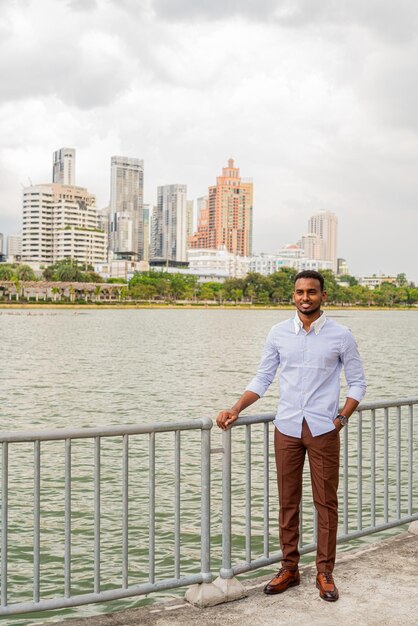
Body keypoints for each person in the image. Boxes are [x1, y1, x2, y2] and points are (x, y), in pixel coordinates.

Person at [216, 270, 366, 602]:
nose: (305, 297)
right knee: (288, 501)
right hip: (286, 428)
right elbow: (263, 377)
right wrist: (236, 408)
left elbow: (358, 382)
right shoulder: (278, 333)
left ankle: (325, 572)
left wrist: (342, 417)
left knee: (326, 503)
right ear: (293, 295)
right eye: (300, 292)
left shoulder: (341, 336)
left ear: (323, 296)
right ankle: (290, 568)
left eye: (312, 292)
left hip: (324, 429)